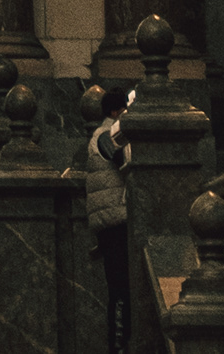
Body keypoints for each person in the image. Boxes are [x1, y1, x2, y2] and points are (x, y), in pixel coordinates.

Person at [84, 86, 131, 354]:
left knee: (122, 289)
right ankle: (118, 345)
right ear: (115, 112)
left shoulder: (106, 133)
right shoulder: (106, 135)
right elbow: (123, 159)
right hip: (115, 223)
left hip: (115, 221)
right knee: (120, 290)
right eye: (126, 110)